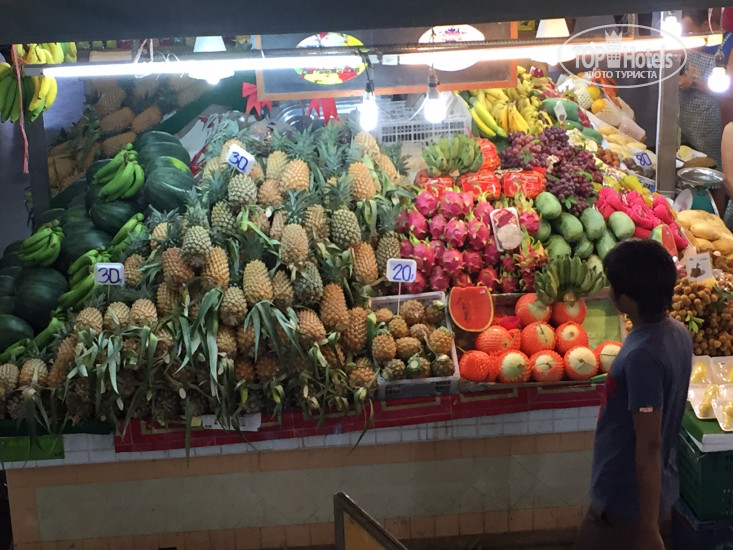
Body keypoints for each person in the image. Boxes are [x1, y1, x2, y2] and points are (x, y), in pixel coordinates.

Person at [574, 240, 693, 550]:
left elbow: (649, 444)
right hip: (654, 489)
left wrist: (648, 527)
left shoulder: (643, 356)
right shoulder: (677, 332)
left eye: (614, 287)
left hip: (626, 501)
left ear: (627, 300)